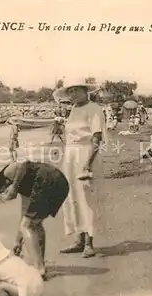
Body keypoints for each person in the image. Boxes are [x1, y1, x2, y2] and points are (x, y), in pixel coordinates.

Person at [0, 160, 69, 278]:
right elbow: (25, 212)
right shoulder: (24, 183)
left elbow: (23, 164)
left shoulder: (9, 171)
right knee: (34, 223)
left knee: (28, 225)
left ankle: (39, 269)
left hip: (47, 180)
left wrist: (14, 186)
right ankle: (40, 263)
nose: (4, 191)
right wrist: (18, 240)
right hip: (58, 182)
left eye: (2, 189)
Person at [52, 81, 106, 258]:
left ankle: (89, 243)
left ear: (85, 92)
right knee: (72, 196)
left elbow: (97, 137)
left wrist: (88, 163)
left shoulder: (94, 108)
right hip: (70, 155)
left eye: (77, 91)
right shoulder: (73, 110)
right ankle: (79, 240)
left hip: (86, 154)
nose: (73, 94)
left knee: (86, 198)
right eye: (71, 92)